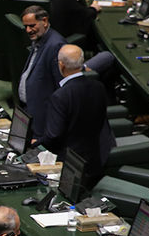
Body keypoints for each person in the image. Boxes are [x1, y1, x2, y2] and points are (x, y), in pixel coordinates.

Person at [38, 45, 115, 186]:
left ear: (61, 65)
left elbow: (54, 135)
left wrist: (37, 143)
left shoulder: (60, 96)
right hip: (95, 160)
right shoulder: (98, 87)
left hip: (70, 166)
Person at [17, 6, 66, 139]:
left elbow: (60, 88)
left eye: (32, 26)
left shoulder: (56, 45)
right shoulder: (39, 40)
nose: (28, 30)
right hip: (29, 111)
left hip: (43, 118)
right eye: (25, 26)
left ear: (44, 21)